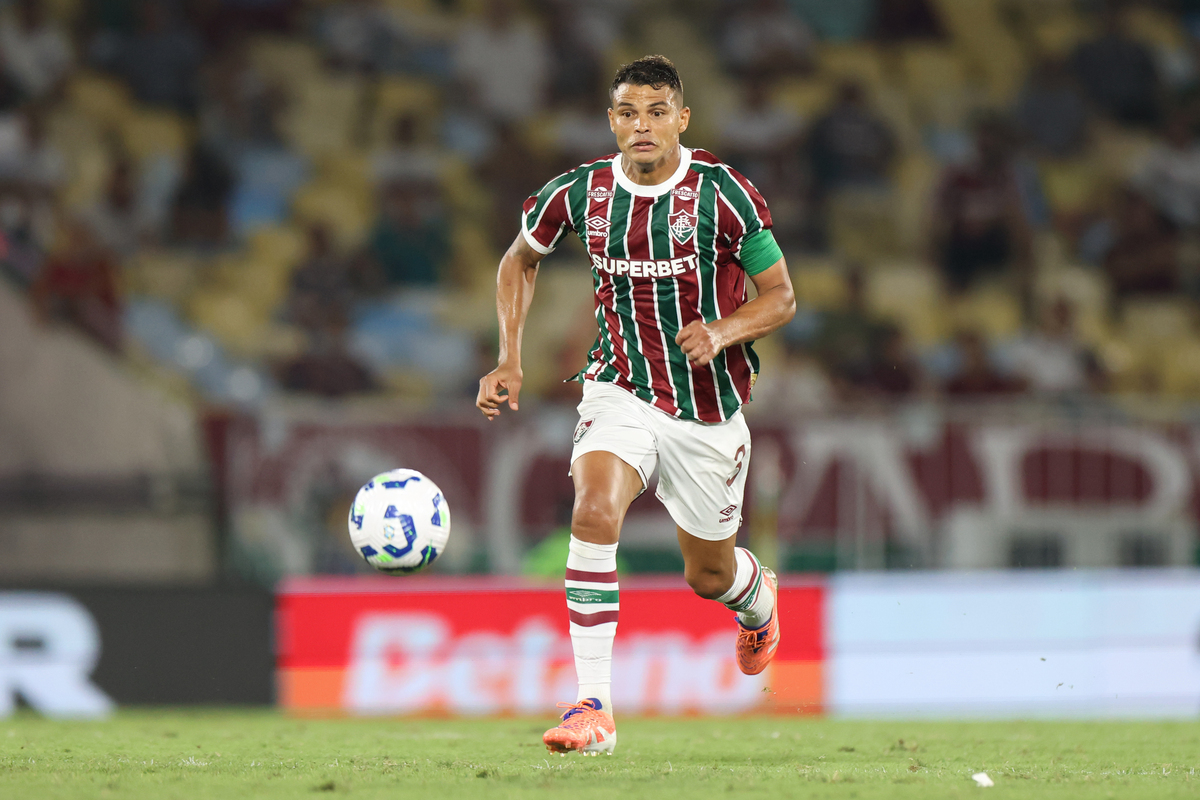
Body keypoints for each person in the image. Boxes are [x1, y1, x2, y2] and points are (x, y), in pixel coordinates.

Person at [476, 56, 796, 756]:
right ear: (611, 120)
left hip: (707, 411)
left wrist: (723, 330)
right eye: (627, 112)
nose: (642, 125)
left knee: (708, 575)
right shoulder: (581, 193)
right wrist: (510, 356)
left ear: (683, 119)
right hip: (617, 387)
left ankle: (757, 599)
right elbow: (517, 260)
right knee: (592, 511)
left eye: (657, 112)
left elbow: (782, 296)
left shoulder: (727, 194)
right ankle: (594, 708)